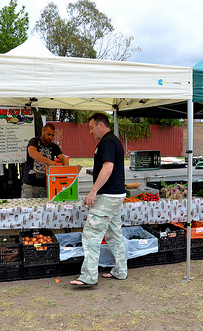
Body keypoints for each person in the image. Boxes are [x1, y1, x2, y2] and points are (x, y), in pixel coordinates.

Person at [70, 113, 127, 287]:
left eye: (91, 127)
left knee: (91, 234)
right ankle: (121, 270)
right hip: (116, 195)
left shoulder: (108, 142)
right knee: (113, 233)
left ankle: (88, 276)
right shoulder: (113, 140)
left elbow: (108, 168)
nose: (90, 131)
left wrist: (93, 191)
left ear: (101, 125)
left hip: (107, 196)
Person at [21, 123, 68, 198]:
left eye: (52, 135)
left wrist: (66, 170)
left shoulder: (54, 147)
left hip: (46, 186)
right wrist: (49, 162)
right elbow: (32, 153)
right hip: (30, 185)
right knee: (28, 209)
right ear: (42, 131)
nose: (50, 137)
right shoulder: (34, 141)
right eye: (48, 134)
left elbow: (63, 158)